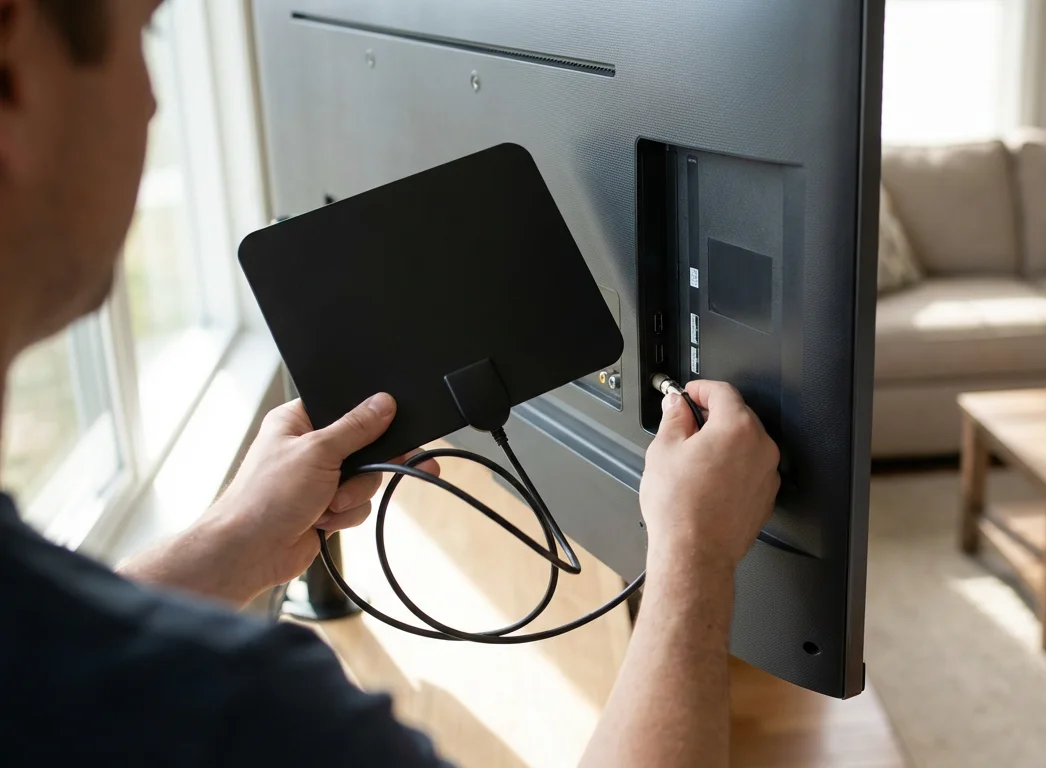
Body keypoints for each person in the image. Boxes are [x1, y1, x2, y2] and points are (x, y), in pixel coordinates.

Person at [0, 1, 782, 765]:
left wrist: (238, 540)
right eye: (147, 32)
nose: (153, 100)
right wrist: (693, 557)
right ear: (13, 48)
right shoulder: (242, 714)